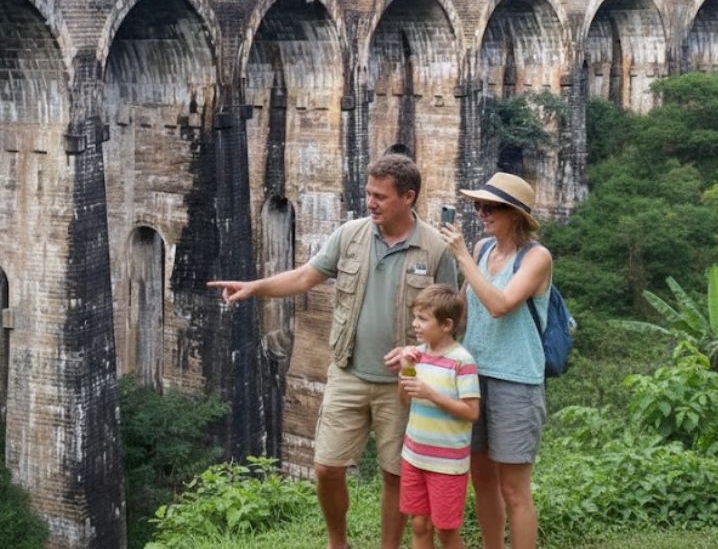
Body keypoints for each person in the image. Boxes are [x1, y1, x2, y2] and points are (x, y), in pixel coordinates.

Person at [208, 154, 456, 549]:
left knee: (395, 474)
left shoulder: (435, 249)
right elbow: (306, 276)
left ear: (408, 197)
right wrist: (255, 286)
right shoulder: (351, 235)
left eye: (381, 196)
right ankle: (337, 542)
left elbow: (450, 319)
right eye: (369, 193)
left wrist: (418, 352)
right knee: (326, 466)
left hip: (404, 382)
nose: (371, 202)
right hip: (348, 369)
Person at [436, 172, 552, 549]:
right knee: (482, 480)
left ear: (514, 214)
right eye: (478, 205)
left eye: (491, 207)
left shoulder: (536, 258)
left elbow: (500, 305)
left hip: (517, 381)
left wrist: (461, 256)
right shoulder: (484, 249)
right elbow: (464, 309)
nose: (482, 213)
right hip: (474, 377)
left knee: (514, 489)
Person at [397, 286, 480, 549]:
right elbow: (405, 399)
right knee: (419, 524)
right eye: (415, 317)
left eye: (423, 319)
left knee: (446, 530)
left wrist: (432, 394)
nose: (415, 324)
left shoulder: (461, 362)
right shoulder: (416, 356)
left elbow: (471, 412)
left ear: (446, 325)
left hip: (446, 463)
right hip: (414, 456)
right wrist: (407, 371)